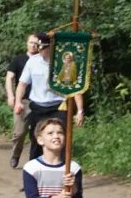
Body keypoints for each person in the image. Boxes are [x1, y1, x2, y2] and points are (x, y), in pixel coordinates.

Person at [16, 32, 84, 160]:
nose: (40, 50)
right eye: (38, 47)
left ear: (50, 47)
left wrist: (80, 110)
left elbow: (75, 88)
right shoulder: (32, 62)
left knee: (61, 138)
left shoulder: (63, 63)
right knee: (37, 139)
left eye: (43, 48)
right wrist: (18, 101)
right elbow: (22, 84)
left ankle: (61, 168)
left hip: (58, 107)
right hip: (38, 107)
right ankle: (34, 170)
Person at [5, 33, 40, 168]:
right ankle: (16, 154)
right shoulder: (19, 60)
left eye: (36, 43)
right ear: (27, 43)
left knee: (36, 133)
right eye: (31, 42)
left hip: (38, 102)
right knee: (19, 133)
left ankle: (34, 160)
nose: (33, 45)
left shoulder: (42, 60)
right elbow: (9, 77)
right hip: (22, 102)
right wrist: (11, 96)